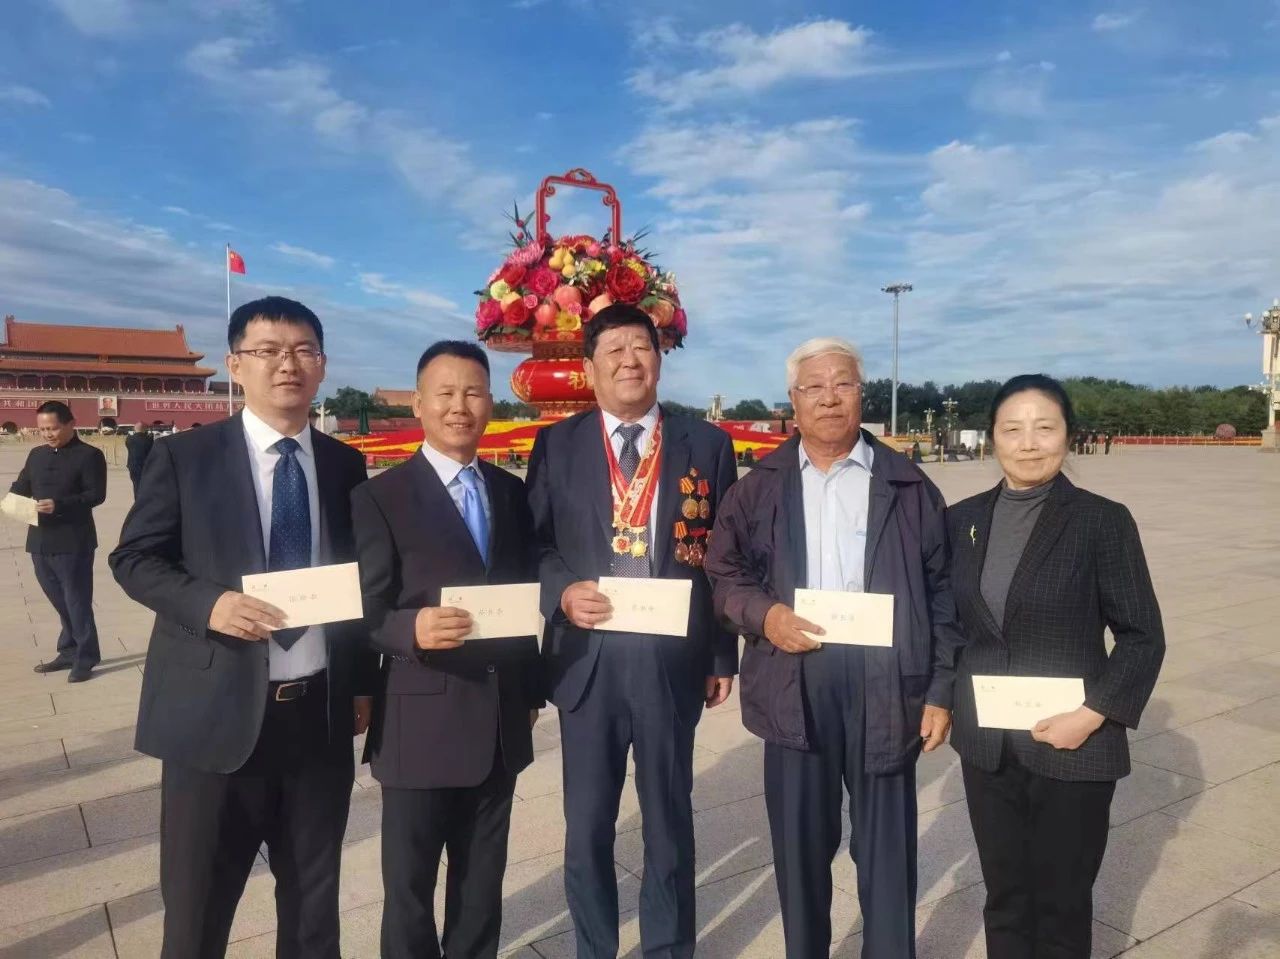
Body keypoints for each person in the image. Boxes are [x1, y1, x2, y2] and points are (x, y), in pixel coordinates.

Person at [109, 297, 377, 959]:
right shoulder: (185, 457)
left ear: (322, 365)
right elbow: (134, 558)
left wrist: (361, 684)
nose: (288, 364)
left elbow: (356, 580)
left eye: (304, 350)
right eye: (268, 351)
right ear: (235, 365)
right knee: (197, 915)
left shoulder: (345, 464)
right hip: (215, 717)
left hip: (316, 719)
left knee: (313, 913)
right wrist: (209, 604)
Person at [705, 336, 962, 959]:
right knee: (799, 851)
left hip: (886, 684)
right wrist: (765, 616)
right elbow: (723, 572)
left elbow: (944, 595)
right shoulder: (758, 487)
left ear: (860, 395)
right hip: (792, 679)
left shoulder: (909, 486)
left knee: (887, 853)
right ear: (793, 400)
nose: (829, 398)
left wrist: (939, 691)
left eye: (842, 384)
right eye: (814, 387)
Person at [527, 304, 738, 959]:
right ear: (589, 368)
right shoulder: (556, 445)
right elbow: (534, 544)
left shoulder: (707, 444)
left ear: (659, 359)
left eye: (640, 346)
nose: (628, 360)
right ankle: (594, 948)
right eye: (613, 349)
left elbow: (724, 557)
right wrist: (562, 591)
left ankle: (668, 947)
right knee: (587, 825)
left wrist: (721, 653)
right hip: (586, 662)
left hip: (670, 662)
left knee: (669, 823)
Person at [945, 374, 1164, 959]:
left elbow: (1143, 636)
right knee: (1005, 896)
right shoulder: (962, 520)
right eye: (1012, 429)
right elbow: (952, 627)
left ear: (1068, 436)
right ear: (992, 437)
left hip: (1073, 744)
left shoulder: (1101, 520)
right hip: (989, 746)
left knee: (1062, 903)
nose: (1028, 443)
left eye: (1045, 428)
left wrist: (1091, 715)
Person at [352, 341, 544, 959]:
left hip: (499, 722)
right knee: (409, 888)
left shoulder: (510, 492)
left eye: (474, 392)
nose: (460, 406)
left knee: (481, 885)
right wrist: (410, 629)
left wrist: (531, 694)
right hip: (421, 722)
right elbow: (363, 610)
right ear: (418, 403)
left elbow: (523, 594)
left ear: (490, 403)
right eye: (446, 393)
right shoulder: (380, 497)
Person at [10, 400, 106, 682]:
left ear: (70, 424)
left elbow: (96, 495)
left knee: (77, 601)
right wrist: (11, 500)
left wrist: (60, 505)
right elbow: (21, 486)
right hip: (40, 540)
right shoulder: (36, 455)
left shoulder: (89, 455)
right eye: (42, 429)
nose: (47, 434)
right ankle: (68, 650)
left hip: (73, 540)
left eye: (52, 428)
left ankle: (86, 656)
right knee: (58, 599)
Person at [124, 422, 154, 496]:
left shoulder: (129, 439)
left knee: (136, 485)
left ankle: (137, 499)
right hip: (145, 466)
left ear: (134, 429)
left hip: (133, 466)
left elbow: (128, 444)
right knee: (146, 486)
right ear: (145, 429)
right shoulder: (148, 440)